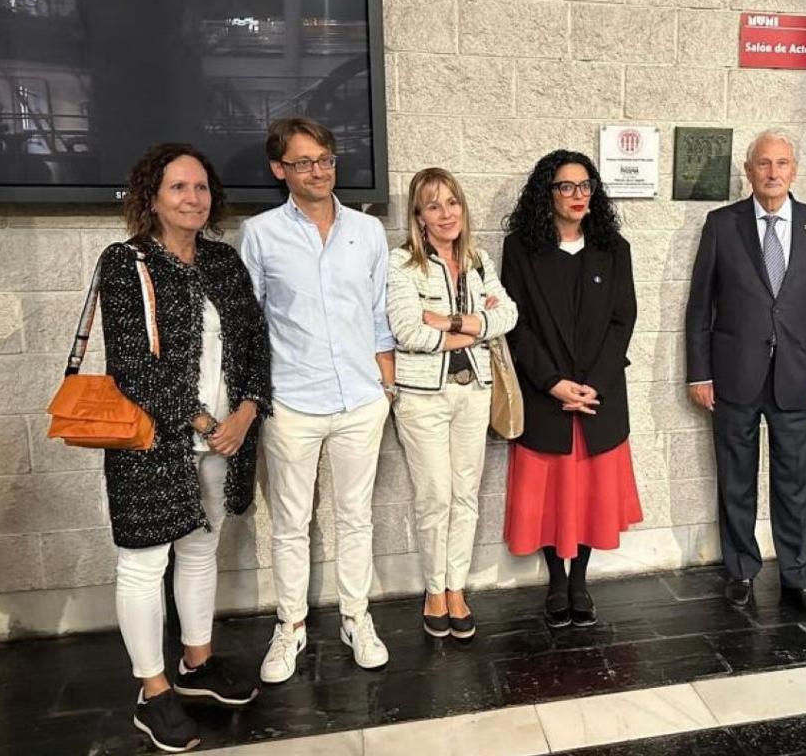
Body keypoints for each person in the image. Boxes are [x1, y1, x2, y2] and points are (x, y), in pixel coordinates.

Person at [98, 143, 271, 753]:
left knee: (201, 550)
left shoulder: (224, 263)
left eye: (200, 188)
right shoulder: (126, 263)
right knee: (144, 565)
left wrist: (246, 412)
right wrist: (204, 420)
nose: (192, 198)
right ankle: (153, 690)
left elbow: (254, 343)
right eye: (178, 188)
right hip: (155, 445)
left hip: (226, 435)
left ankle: (197, 664)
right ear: (152, 198)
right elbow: (131, 367)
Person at [240, 117, 395, 682]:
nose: (318, 171)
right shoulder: (260, 234)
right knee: (289, 522)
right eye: (303, 162)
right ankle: (292, 626)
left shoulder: (366, 231)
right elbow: (249, 322)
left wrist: (385, 382)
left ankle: (356, 615)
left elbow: (378, 313)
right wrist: (256, 398)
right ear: (279, 169)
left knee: (356, 516)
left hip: (360, 399)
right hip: (292, 403)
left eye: (326, 159)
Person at [685, 129, 806, 620]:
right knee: (735, 479)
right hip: (734, 374)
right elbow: (700, 307)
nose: (773, 173)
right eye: (763, 164)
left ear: (794, 169)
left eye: (781, 163)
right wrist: (698, 373)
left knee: (795, 483)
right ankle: (740, 572)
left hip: (800, 377)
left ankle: (799, 577)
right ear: (748, 171)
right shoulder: (721, 224)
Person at [501, 149, 642, 628]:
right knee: (549, 495)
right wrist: (553, 383)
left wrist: (592, 385)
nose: (578, 195)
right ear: (548, 193)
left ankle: (579, 580)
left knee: (587, 495)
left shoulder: (613, 247)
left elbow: (624, 319)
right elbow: (515, 326)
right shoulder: (522, 248)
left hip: (598, 396)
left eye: (585, 186)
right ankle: (554, 581)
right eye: (566, 186)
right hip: (546, 396)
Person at [387, 168, 518, 639]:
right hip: (423, 397)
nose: (447, 214)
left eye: (453, 202)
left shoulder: (479, 259)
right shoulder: (401, 264)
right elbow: (408, 331)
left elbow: (508, 314)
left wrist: (451, 320)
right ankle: (434, 588)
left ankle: (457, 587)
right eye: (434, 205)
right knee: (434, 495)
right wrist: (468, 332)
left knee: (466, 494)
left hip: (475, 391)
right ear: (419, 217)